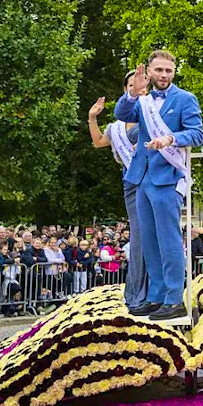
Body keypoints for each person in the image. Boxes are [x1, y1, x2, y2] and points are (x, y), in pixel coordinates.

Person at [116, 50, 203, 320]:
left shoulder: (185, 99)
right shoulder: (143, 101)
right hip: (141, 176)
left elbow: (197, 133)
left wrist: (170, 139)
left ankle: (174, 297)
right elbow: (121, 113)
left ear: (173, 72)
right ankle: (156, 295)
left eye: (168, 70)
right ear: (150, 72)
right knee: (150, 241)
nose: (164, 75)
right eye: (159, 70)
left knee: (169, 240)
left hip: (167, 176)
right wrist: (132, 94)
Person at [89, 69, 148, 309]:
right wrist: (93, 117)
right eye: (133, 85)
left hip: (153, 178)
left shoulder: (153, 114)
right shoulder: (115, 127)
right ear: (127, 90)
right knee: (138, 236)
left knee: (153, 235)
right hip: (131, 182)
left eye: (142, 85)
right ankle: (136, 293)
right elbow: (98, 142)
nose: (138, 88)